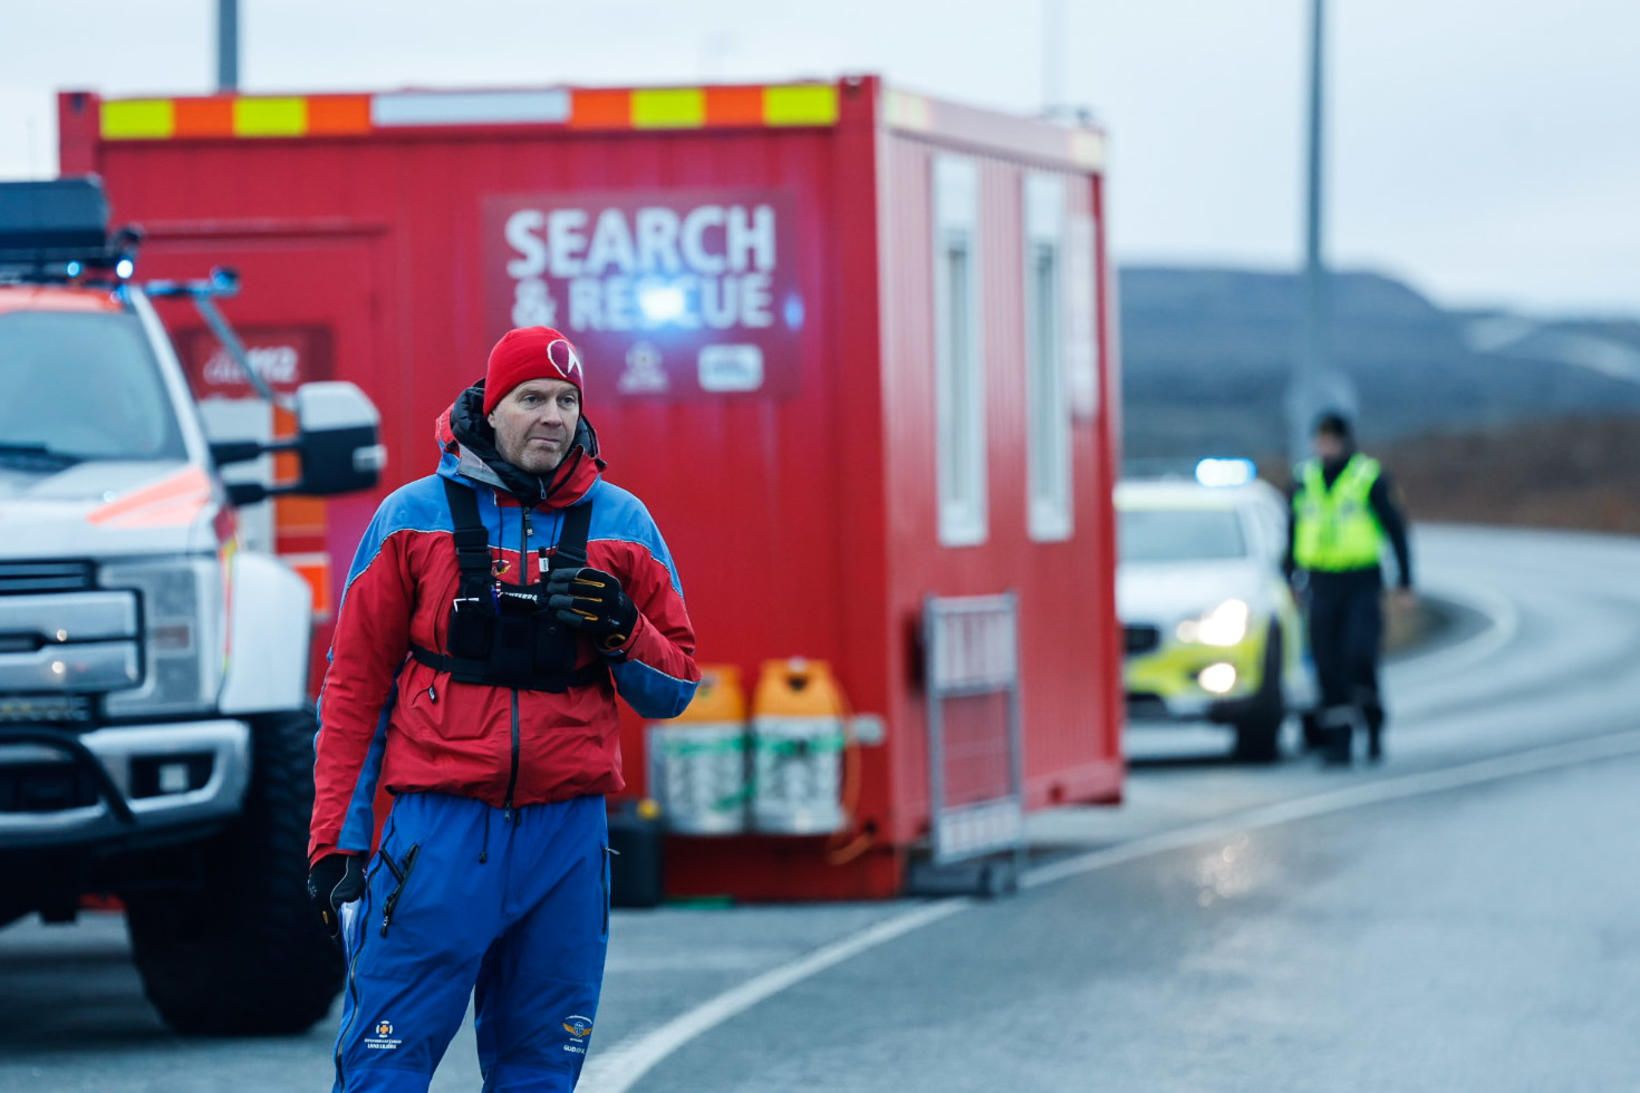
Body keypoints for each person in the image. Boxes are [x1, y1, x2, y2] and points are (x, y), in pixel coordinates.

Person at [306, 326, 700, 1091]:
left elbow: (677, 684)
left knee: (540, 1076)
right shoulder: (409, 518)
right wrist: (335, 843)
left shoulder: (625, 527)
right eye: (531, 398)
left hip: (567, 840)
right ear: (492, 407)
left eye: (565, 399)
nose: (551, 415)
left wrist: (623, 629)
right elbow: (353, 690)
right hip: (437, 837)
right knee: (383, 1066)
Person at [1284, 411, 1413, 765]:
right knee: (1327, 664)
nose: (1324, 446)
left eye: (1331, 438)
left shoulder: (1368, 478)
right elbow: (1291, 533)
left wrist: (1404, 582)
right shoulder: (1304, 479)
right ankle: (1337, 742)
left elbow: (1396, 530)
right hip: (1321, 583)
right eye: (1320, 439)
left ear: (1344, 441)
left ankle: (1372, 723)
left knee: (1358, 655)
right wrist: (1289, 578)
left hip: (1361, 581)